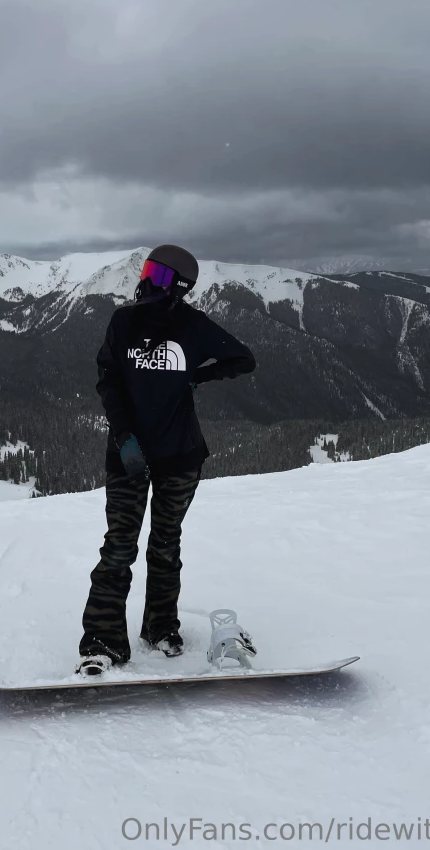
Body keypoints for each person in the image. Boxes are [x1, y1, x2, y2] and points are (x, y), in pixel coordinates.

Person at [77, 244, 256, 676]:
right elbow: (109, 383)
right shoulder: (124, 321)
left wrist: (199, 374)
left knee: (165, 544)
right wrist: (124, 439)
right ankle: (102, 642)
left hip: (180, 456)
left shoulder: (192, 326)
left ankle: (161, 628)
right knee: (119, 548)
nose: (147, 279)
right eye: (148, 270)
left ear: (176, 285)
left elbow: (243, 359)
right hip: (128, 456)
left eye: (157, 274)